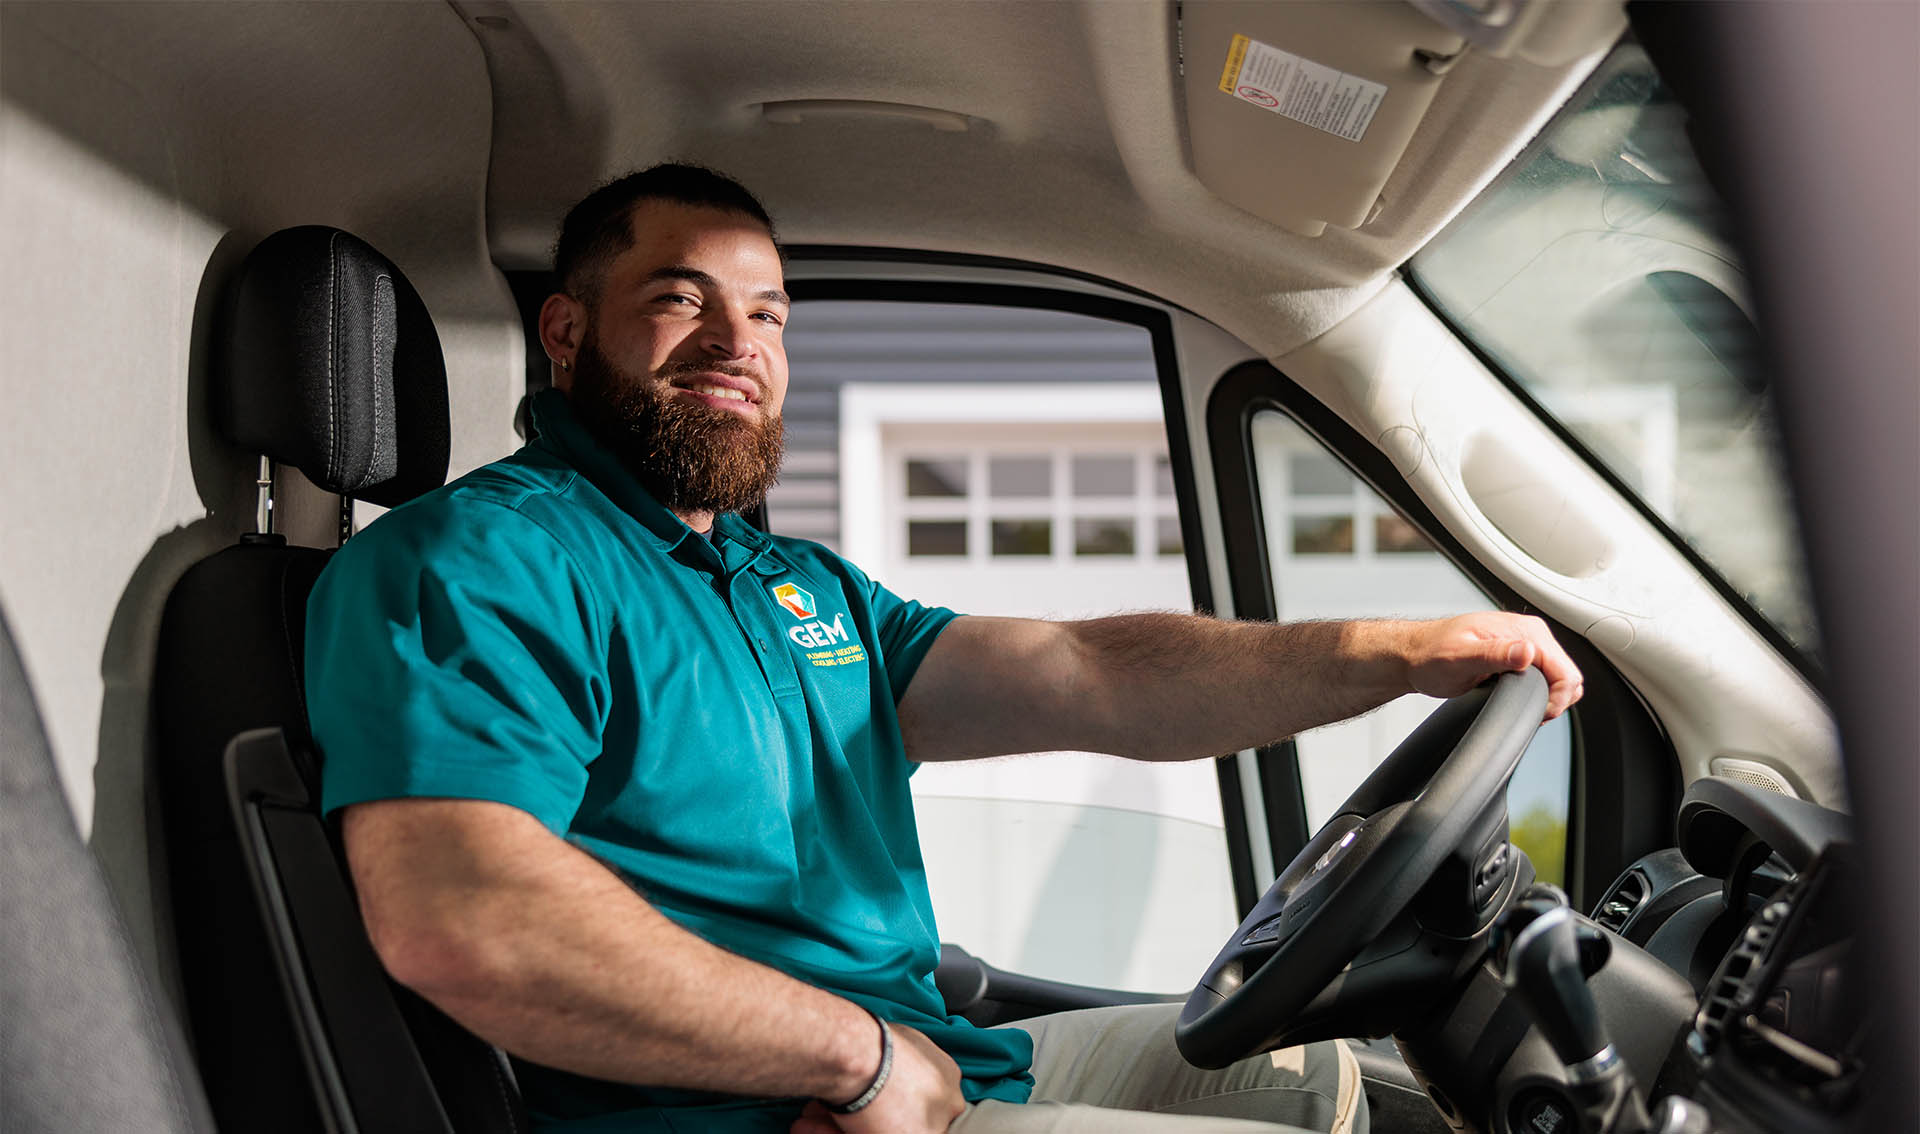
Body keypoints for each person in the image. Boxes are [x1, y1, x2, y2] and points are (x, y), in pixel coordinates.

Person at [305, 164, 1583, 1134]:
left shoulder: (790, 583)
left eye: (769, 314)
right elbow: (465, 917)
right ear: (566, 332)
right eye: (680, 300)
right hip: (769, 1108)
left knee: (1332, 1081)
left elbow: (1097, 675)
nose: (738, 345)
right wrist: (855, 1058)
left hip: (941, 1068)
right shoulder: (482, 560)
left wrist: (1391, 651)